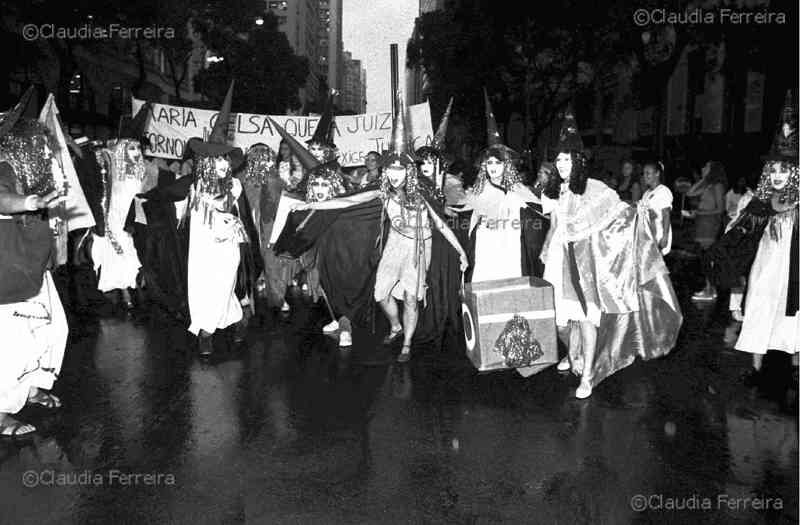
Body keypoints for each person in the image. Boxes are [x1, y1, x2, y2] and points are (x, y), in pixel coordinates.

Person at [284, 94, 468, 363]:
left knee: (411, 298)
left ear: (408, 170)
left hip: (419, 248)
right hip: (395, 245)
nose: (394, 173)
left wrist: (461, 251)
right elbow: (349, 200)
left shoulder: (422, 194)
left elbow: (440, 223)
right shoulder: (382, 192)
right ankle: (395, 325)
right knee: (380, 293)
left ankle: (406, 343)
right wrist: (310, 207)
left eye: (399, 168)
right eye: (390, 168)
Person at [540, 108, 682, 398]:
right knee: (559, 321)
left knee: (585, 318)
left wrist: (640, 215)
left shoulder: (594, 189)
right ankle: (575, 351)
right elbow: (555, 225)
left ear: (577, 161)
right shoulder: (553, 190)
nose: (561, 164)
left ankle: (588, 375)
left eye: (566, 159)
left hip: (583, 264)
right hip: (558, 261)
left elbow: (619, 214)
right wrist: (545, 248)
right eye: (558, 159)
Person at [705, 91, 799, 380]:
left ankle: (795, 367)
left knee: (793, 317)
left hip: (792, 271)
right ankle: (757, 369)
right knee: (759, 311)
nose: (778, 175)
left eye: (785, 170)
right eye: (774, 170)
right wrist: (720, 252)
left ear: (794, 172)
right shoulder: (758, 203)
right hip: (763, 270)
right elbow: (738, 233)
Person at [0, 88, 69, 436]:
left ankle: (28, 388)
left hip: (29, 267)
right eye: (39, 146)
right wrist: (28, 202)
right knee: (10, 341)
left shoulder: (26, 172)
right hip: (5, 272)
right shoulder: (4, 168)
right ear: (21, 147)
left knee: (52, 330)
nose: (46, 150)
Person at [453, 89, 547, 282]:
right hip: (486, 244)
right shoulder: (478, 190)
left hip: (510, 245)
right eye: (490, 163)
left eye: (498, 163)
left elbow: (540, 210)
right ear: (484, 166)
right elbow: (466, 215)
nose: (493, 167)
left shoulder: (518, 189)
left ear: (506, 165)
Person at [90, 103, 151, 311]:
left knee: (133, 255)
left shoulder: (143, 172)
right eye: (131, 148)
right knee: (119, 254)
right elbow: (101, 160)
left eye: (138, 148)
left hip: (133, 219)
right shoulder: (114, 170)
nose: (136, 152)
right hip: (115, 219)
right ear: (123, 149)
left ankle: (131, 289)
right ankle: (124, 292)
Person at [685, 160, 727, 301]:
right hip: (702, 224)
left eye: (706, 167)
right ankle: (709, 289)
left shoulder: (717, 186)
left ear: (712, 170)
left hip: (710, 225)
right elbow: (690, 193)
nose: (703, 167)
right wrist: (703, 178)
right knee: (705, 258)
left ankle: (710, 290)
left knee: (708, 258)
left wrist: (699, 213)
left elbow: (720, 209)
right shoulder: (707, 185)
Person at [640, 160, 674, 255]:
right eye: (643, 173)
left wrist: (665, 237)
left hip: (658, 235)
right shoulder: (646, 193)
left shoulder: (663, 191)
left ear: (657, 174)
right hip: (648, 235)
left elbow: (666, 215)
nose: (645, 176)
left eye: (648, 173)